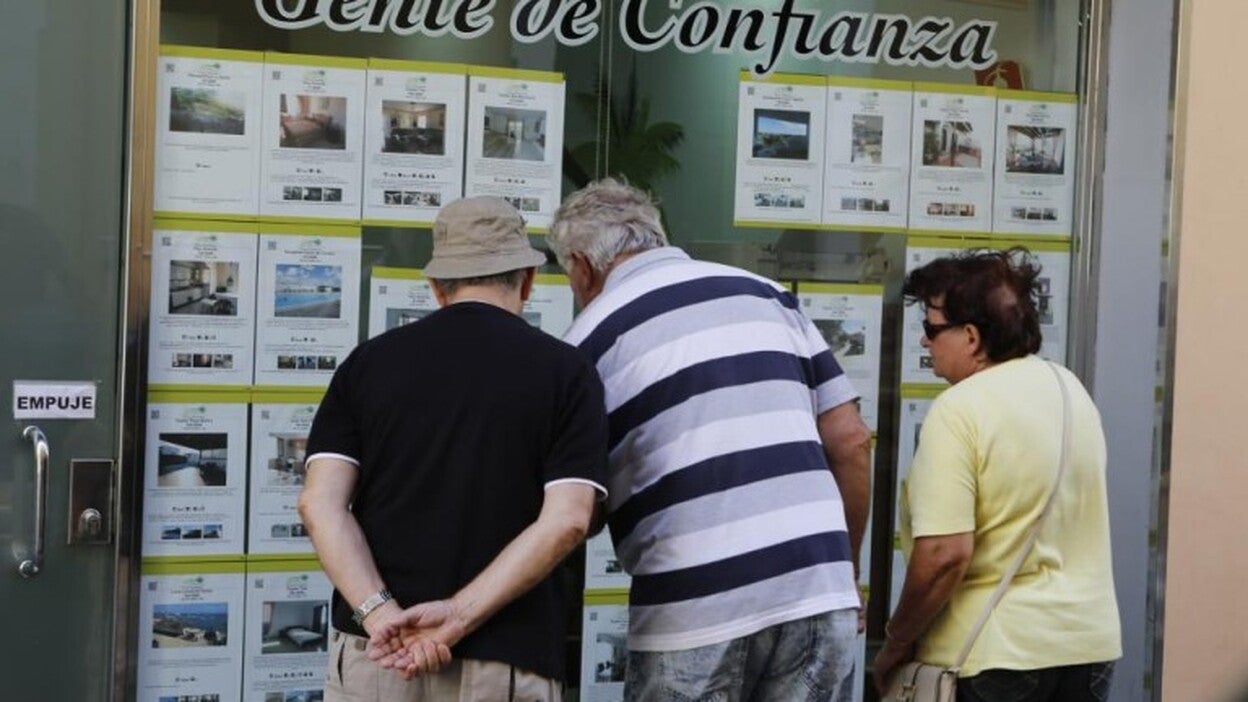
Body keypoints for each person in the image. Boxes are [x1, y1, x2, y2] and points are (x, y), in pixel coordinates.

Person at [548, 178, 872, 701]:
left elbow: (579, 503)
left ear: (582, 266)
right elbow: (851, 440)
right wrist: (843, 571)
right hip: (816, 591)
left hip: (693, 608)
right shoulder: (766, 294)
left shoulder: (588, 340)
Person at [299, 196, 609, 701]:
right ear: (527, 281)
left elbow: (320, 504)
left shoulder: (366, 365)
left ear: (437, 287)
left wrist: (381, 615)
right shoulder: (566, 373)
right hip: (507, 665)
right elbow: (568, 519)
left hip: (378, 657)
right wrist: (458, 616)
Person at [873, 248, 1121, 702]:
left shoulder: (959, 409)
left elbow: (945, 553)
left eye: (930, 328)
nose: (925, 342)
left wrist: (895, 642)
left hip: (993, 655)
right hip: (1087, 647)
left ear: (970, 337)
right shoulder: (1070, 390)